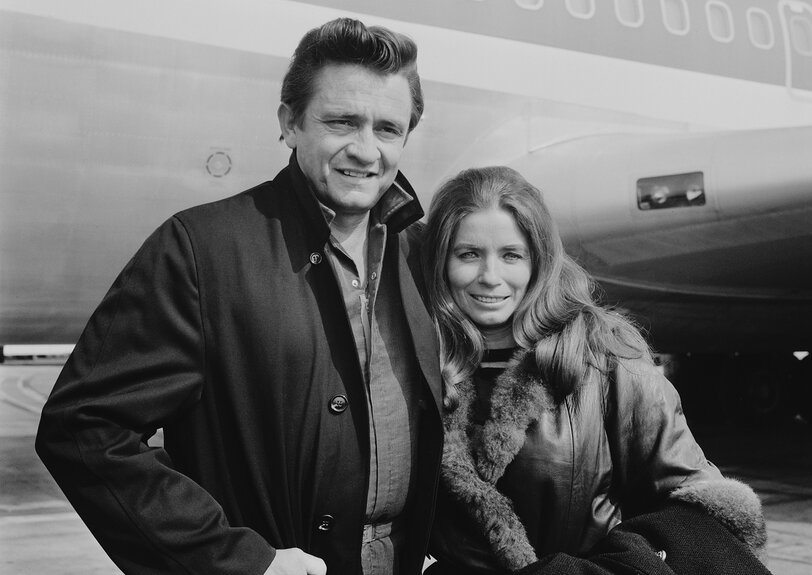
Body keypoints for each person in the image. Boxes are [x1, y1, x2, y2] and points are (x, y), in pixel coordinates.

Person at [35, 18, 443, 575]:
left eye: (388, 128)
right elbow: (84, 428)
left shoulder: (420, 255)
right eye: (342, 121)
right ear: (290, 123)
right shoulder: (202, 250)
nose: (365, 149)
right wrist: (239, 563)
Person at [419, 166, 769, 574]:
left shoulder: (605, 359)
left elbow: (701, 505)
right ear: (441, 260)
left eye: (511, 255)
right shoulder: (416, 361)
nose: (490, 277)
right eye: (469, 254)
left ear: (540, 261)